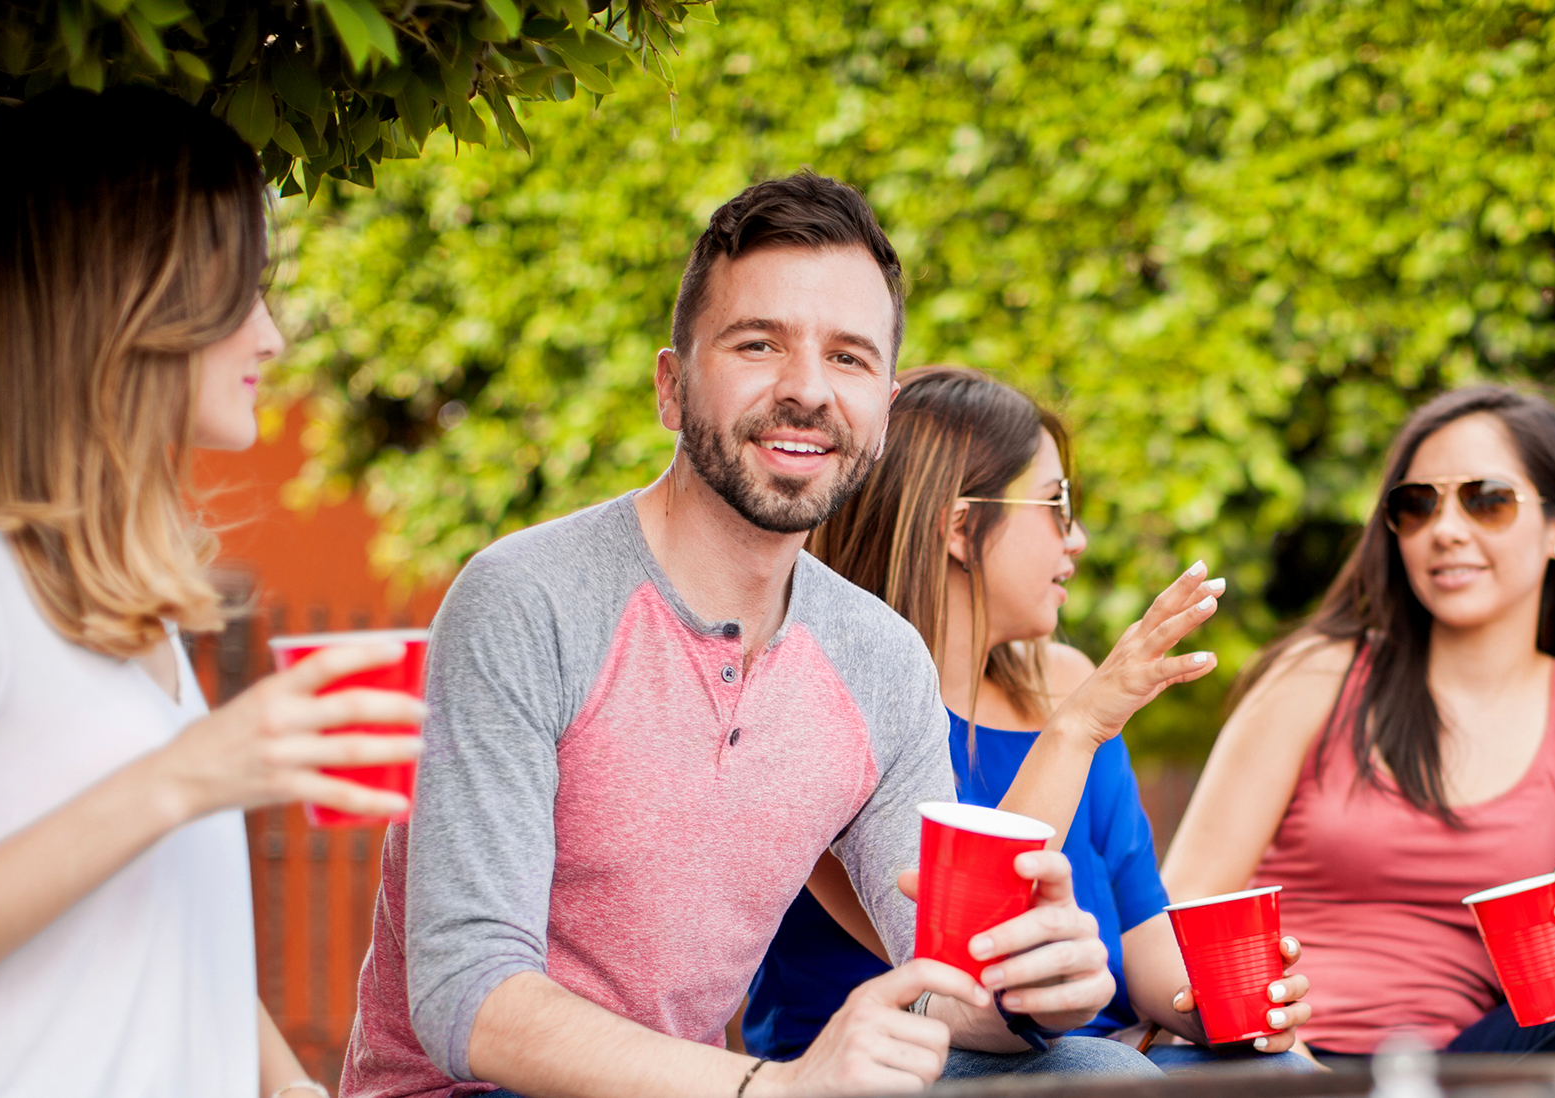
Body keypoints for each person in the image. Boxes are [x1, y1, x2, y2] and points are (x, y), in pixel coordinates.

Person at [341, 174, 1148, 1098]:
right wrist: (769, 1088)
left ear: (883, 412)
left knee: (1097, 1068)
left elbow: (942, 979)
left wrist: (1030, 992)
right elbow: (467, 995)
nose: (806, 389)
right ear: (672, 387)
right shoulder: (525, 599)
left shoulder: (880, 661)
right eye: (759, 344)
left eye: (848, 358)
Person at [0, 89, 425, 1098]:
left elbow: (133, 908)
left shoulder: (107, 608)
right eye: (241, 295)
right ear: (127, 305)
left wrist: (282, 1081)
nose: (272, 338)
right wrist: (182, 778)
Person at [742, 367, 1315, 1072]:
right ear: (959, 527)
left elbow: (1140, 931)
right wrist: (1073, 734)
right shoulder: (821, 715)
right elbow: (975, 950)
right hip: (895, 1065)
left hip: (1093, 1058)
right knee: (1110, 1073)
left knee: (1282, 1072)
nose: (1075, 541)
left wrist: (1232, 1005)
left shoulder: (1067, 686)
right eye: (1055, 505)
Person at [1164, 385, 1555, 1057]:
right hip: (1267, 1055)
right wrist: (1285, 1056)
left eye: (1487, 499)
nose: (1448, 529)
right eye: (1418, 504)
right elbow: (1185, 900)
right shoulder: (1319, 675)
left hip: (1451, 1068)